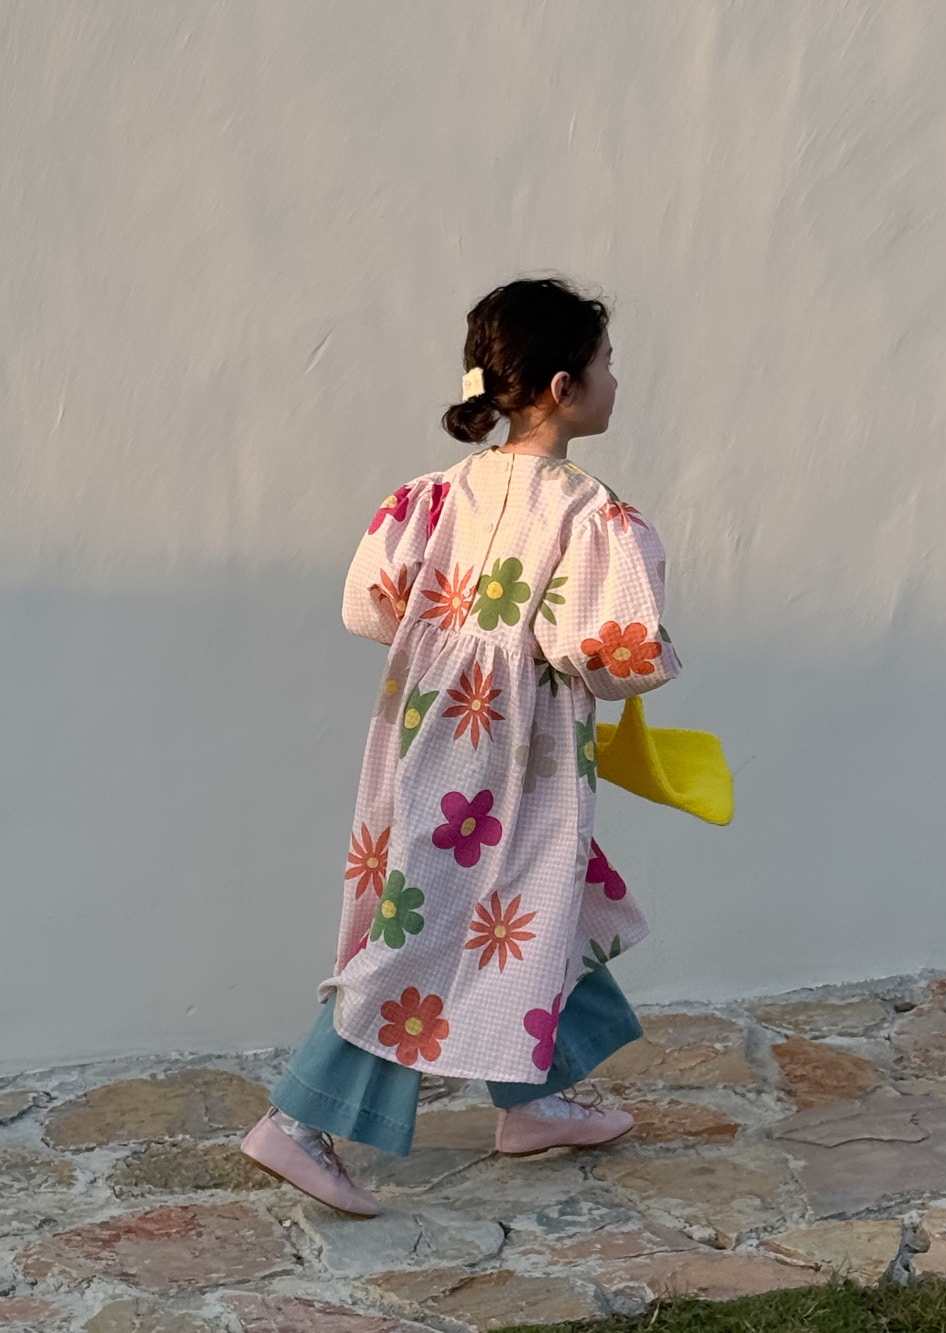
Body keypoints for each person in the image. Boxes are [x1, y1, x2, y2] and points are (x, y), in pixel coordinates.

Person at [241, 276, 682, 1215]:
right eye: (607, 363)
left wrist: (457, 638)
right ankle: (298, 1118)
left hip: (427, 725)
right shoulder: (585, 511)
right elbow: (610, 654)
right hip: (516, 744)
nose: (616, 379)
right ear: (563, 386)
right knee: (438, 921)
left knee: (517, 895)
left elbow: (372, 604)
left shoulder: (437, 493)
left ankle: (533, 1099)